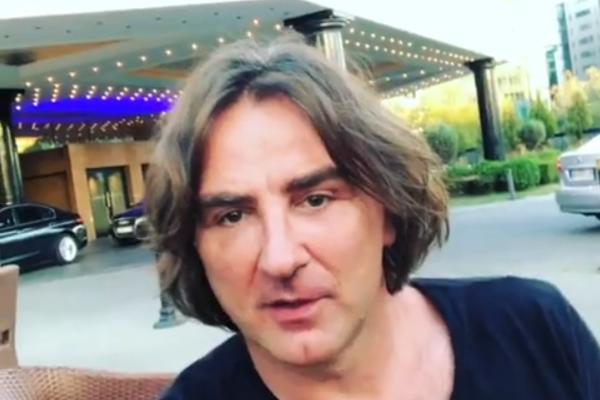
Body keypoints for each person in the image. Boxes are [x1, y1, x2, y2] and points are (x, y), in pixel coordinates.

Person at [146, 35, 600, 399]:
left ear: (388, 210)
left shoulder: (533, 330)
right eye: (232, 216)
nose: (280, 259)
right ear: (195, 246)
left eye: (315, 200)